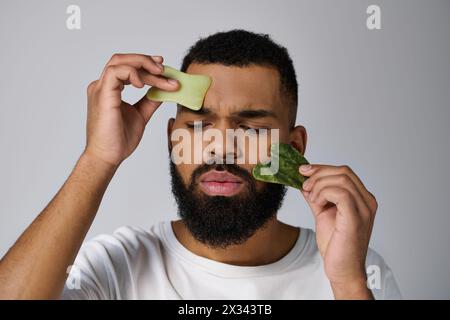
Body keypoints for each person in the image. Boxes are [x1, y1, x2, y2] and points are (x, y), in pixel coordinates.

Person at [0, 29, 401, 299]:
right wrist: (98, 158)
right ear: (174, 136)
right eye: (200, 124)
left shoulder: (355, 271)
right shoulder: (116, 267)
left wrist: (347, 284)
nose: (220, 148)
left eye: (250, 126)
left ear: (293, 146)